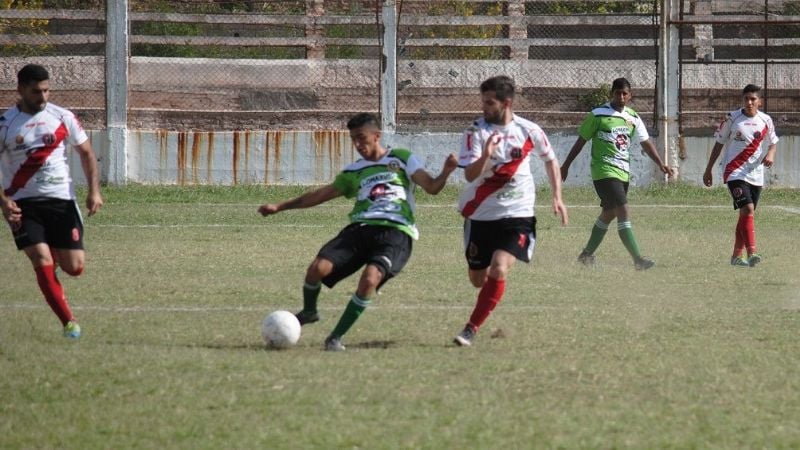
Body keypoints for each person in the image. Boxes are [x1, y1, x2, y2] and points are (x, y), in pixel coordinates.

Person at [258, 112, 458, 351]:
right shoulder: (354, 171)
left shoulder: (401, 158)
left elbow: (432, 187)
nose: (357, 144)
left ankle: (335, 337)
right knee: (316, 269)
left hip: (395, 231)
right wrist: (280, 207)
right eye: (353, 139)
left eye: (362, 138)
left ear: (377, 136)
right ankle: (310, 311)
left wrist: (446, 172)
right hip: (360, 228)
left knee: (370, 279)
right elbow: (321, 195)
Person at [453, 75, 568, 347]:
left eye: (489, 103)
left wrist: (557, 197)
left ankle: (470, 329)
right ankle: (485, 300)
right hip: (480, 214)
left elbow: (551, 162)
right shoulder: (475, 133)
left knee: (499, 267)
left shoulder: (529, 130)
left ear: (506, 103)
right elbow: (470, 176)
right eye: (482, 102)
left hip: (519, 215)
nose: (484, 108)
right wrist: (486, 156)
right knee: (477, 279)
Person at [0, 64, 103, 339]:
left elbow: (87, 154)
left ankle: (54, 256)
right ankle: (69, 323)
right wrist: (2, 201)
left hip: (61, 202)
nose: (43, 97)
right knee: (40, 257)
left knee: (75, 268)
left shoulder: (62, 117)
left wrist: (94, 191)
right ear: (20, 90)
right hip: (23, 203)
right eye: (36, 91)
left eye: (46, 90)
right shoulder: (6, 124)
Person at [560, 77, 672, 270]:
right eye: (617, 93)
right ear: (611, 93)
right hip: (603, 171)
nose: (621, 96)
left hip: (623, 173)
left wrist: (661, 163)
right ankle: (638, 260)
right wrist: (566, 165)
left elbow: (645, 142)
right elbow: (581, 141)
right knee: (623, 211)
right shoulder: (598, 115)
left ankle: (586, 255)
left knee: (609, 213)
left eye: (624, 93)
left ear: (630, 95)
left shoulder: (633, 117)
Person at [703, 84, 778, 267]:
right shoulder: (732, 118)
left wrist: (770, 155)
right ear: (742, 100)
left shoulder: (766, 120)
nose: (750, 102)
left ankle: (736, 257)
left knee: (746, 214)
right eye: (746, 99)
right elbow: (719, 144)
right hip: (734, 171)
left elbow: (773, 142)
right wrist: (708, 169)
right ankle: (752, 252)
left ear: (759, 101)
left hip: (755, 174)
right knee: (748, 209)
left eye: (753, 99)